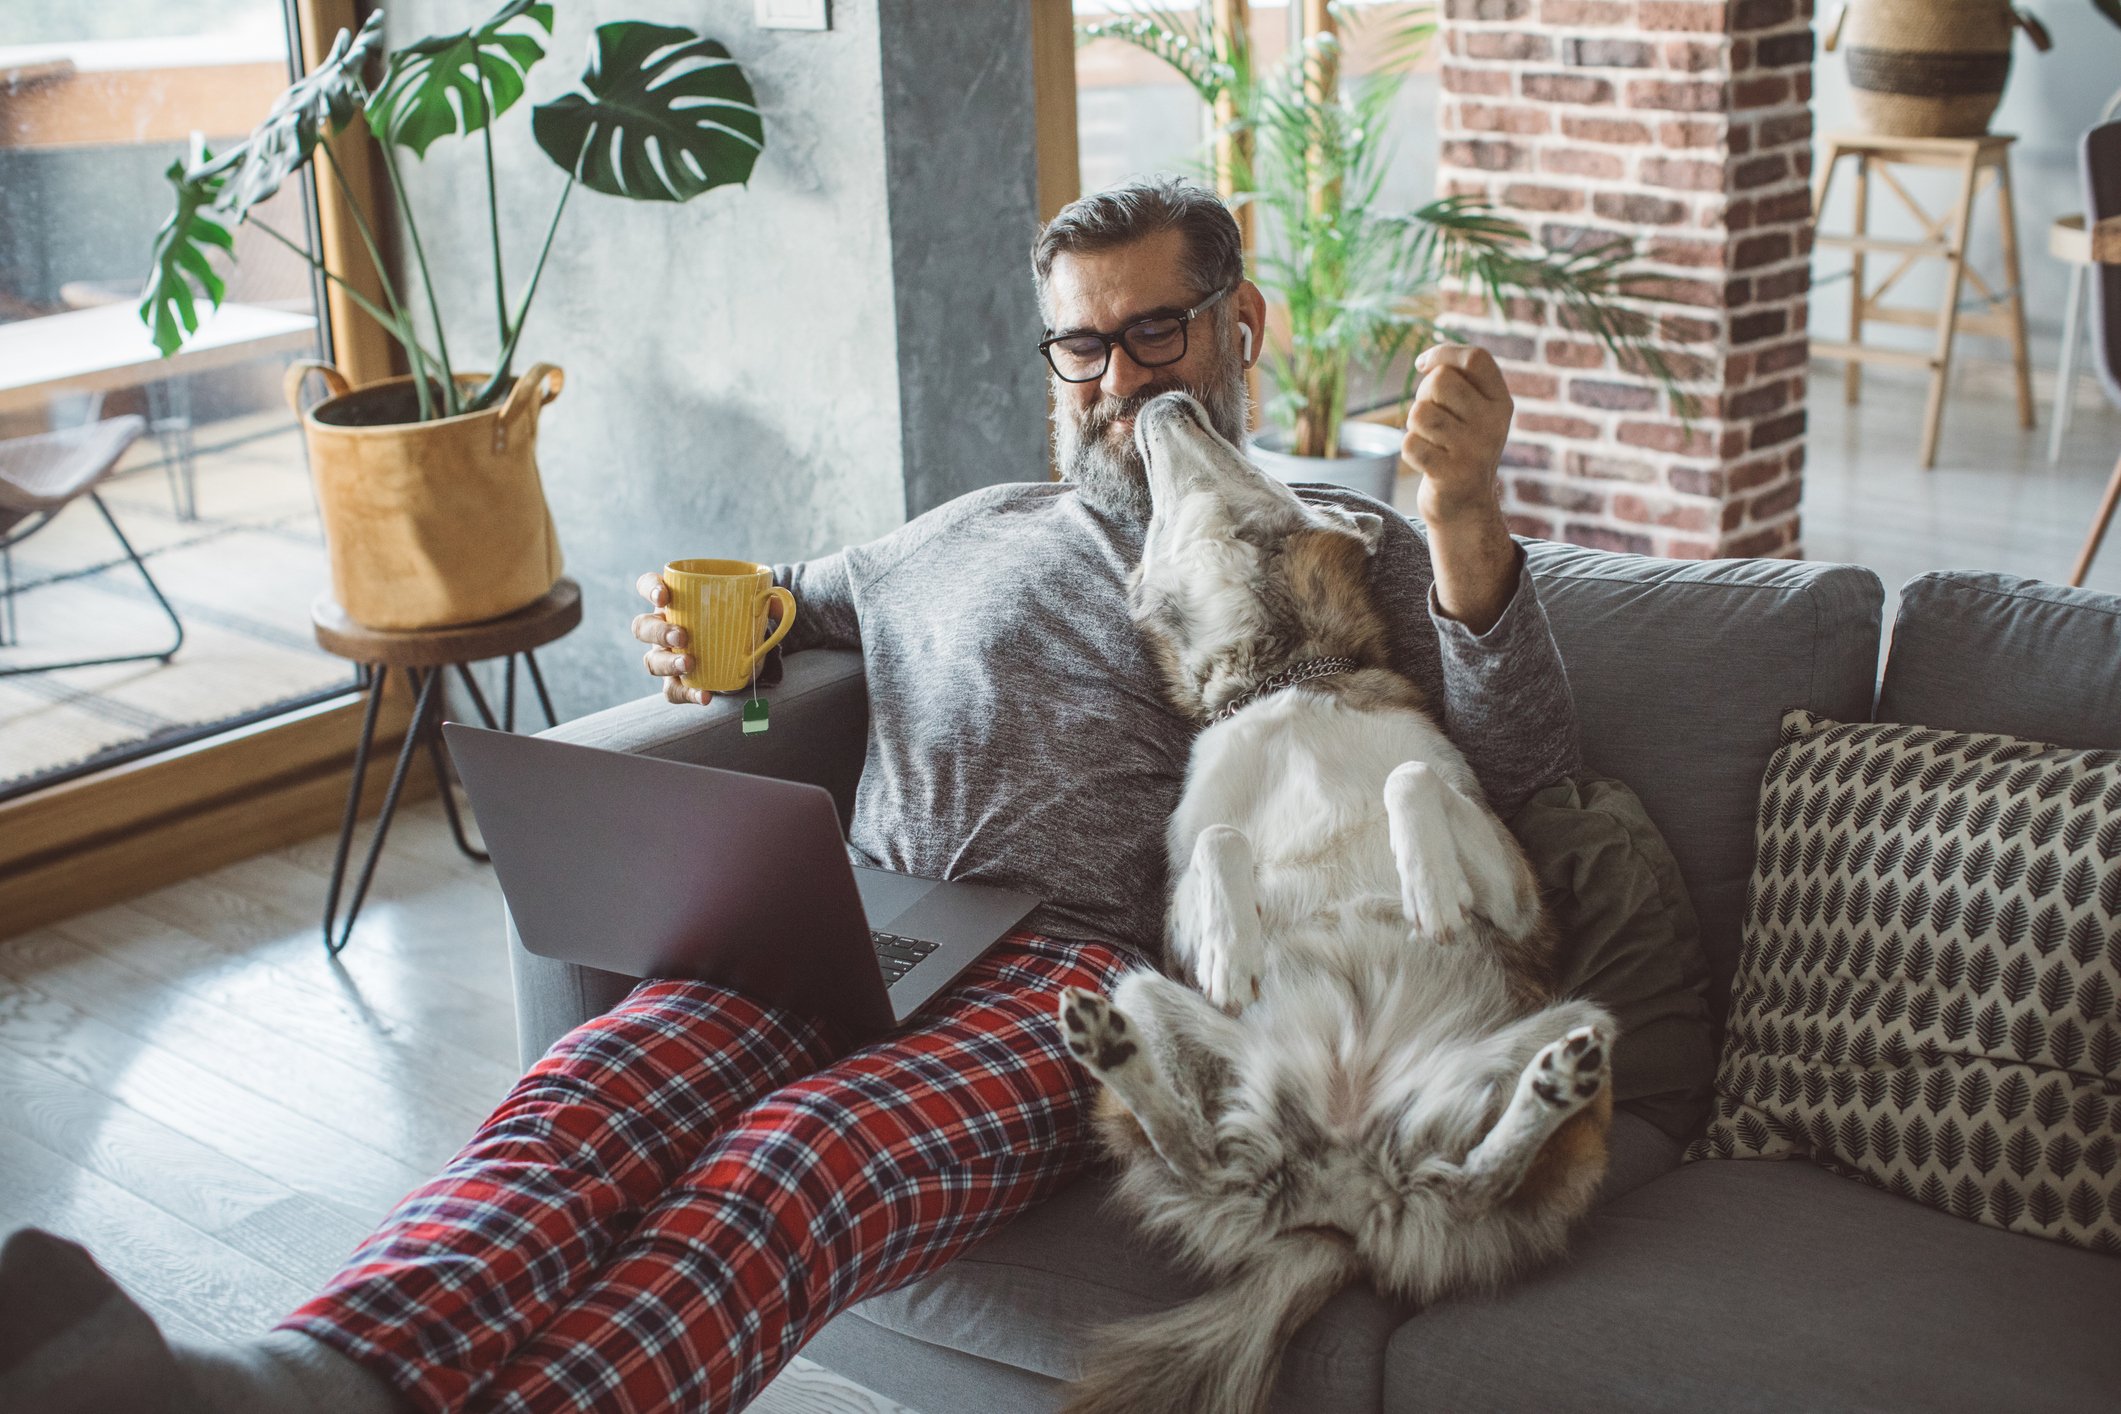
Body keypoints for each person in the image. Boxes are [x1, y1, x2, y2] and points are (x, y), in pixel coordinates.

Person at [0, 174, 1579, 1414]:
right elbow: (767, 613)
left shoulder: (1312, 538)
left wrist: (1460, 520)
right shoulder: (954, 529)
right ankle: (292, 1381)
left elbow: (1514, 775)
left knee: (793, 1165)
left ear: (1243, 327)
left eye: (1154, 332)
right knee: (574, 1108)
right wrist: (706, 628)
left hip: (1074, 973)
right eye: (1082, 344)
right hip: (848, 918)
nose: (1115, 379)